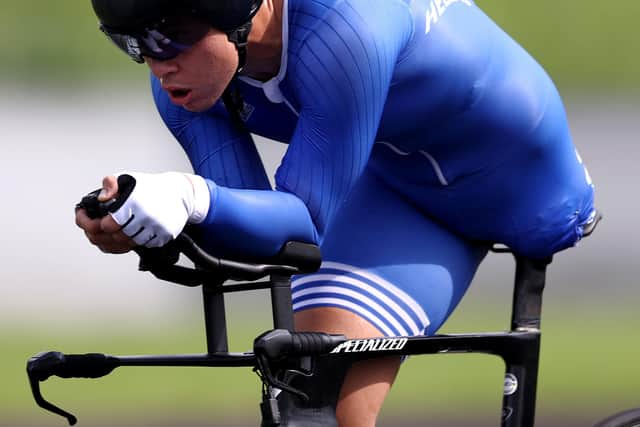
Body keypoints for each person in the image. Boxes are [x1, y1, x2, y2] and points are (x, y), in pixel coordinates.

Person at [76, 0, 596, 425]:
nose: (156, 62)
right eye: (131, 43)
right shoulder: (180, 86)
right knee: (311, 401)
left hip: (521, 181)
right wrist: (148, 223)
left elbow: (300, 219)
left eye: (167, 37)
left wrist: (189, 198)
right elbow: (266, 244)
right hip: (402, 190)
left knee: (318, 379)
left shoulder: (341, 27)